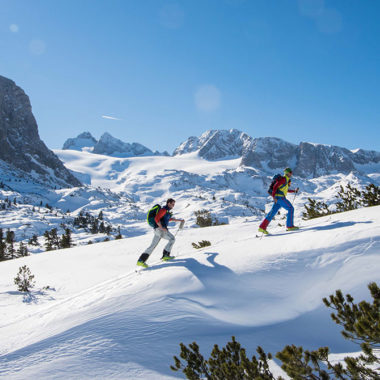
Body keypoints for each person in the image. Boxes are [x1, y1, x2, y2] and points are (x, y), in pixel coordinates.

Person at [137, 198, 184, 268]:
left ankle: (141, 261)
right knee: (172, 239)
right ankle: (165, 255)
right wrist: (162, 227)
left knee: (152, 245)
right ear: (168, 203)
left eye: (174, 204)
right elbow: (156, 219)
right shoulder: (164, 210)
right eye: (172, 204)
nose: (173, 206)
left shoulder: (166, 211)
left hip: (157, 230)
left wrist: (179, 220)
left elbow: (169, 219)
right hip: (160, 229)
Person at [258, 167, 299, 235]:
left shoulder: (286, 180)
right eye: (290, 172)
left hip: (278, 198)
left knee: (273, 212)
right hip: (280, 198)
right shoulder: (283, 179)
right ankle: (290, 226)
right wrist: (274, 197)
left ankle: (262, 227)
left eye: (291, 172)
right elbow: (275, 187)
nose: (291, 173)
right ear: (287, 173)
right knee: (290, 208)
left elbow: (285, 190)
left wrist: (294, 191)